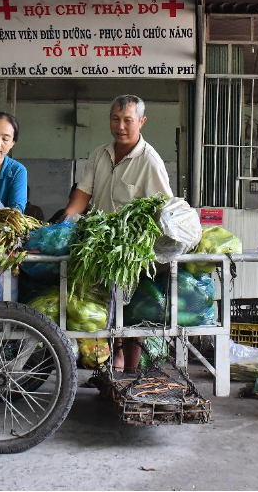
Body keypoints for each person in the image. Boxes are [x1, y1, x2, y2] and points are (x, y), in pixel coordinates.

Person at [58, 95, 173, 373]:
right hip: (97, 245)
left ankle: (128, 369)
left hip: (130, 252)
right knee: (99, 308)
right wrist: (65, 222)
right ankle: (106, 365)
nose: (120, 126)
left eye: (127, 121)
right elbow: (83, 193)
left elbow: (164, 209)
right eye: (115, 119)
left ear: (141, 122)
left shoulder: (150, 162)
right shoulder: (100, 154)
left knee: (129, 310)